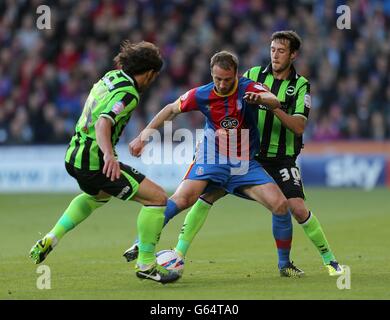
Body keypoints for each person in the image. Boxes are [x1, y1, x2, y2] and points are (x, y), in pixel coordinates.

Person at [126, 31, 344, 277]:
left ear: (293, 55)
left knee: (287, 206)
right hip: (219, 157)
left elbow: (277, 104)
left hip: (262, 159)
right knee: (188, 198)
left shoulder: (277, 85)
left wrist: (264, 100)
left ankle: (298, 264)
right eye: (272, 49)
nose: (222, 84)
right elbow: (172, 109)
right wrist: (144, 136)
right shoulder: (217, 88)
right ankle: (148, 245)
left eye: (281, 50)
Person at [29, 41, 180, 284]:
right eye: (153, 77)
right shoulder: (129, 93)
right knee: (158, 198)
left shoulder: (111, 77)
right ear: (150, 73)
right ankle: (146, 264)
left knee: (98, 196)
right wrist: (109, 154)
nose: (152, 82)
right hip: (95, 161)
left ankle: (52, 237)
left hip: (74, 155)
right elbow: (103, 123)